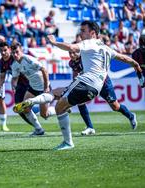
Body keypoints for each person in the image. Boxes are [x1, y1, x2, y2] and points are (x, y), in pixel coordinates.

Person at [45, 21, 142, 150]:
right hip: (96, 85)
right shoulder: (106, 48)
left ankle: (67, 140)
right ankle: (87, 127)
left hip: (89, 82)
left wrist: (54, 42)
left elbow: (71, 48)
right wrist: (135, 64)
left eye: (83, 30)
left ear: (92, 33)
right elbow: (123, 58)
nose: (80, 33)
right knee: (64, 105)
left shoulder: (89, 42)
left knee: (61, 106)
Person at [68, 42, 138, 136]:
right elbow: (75, 74)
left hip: (103, 82)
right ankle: (90, 127)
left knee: (115, 106)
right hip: (89, 84)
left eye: (74, 52)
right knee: (80, 101)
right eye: (70, 53)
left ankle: (131, 115)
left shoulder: (87, 57)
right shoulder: (72, 63)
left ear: (80, 51)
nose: (72, 55)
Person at [11, 42, 56, 135]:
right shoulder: (15, 65)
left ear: (21, 51)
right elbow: (14, 78)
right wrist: (13, 86)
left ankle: (60, 109)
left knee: (45, 115)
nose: (15, 55)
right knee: (25, 108)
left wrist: (46, 86)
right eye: (13, 53)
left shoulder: (28, 59)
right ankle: (39, 129)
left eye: (17, 52)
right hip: (32, 88)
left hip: (43, 88)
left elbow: (44, 69)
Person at [0, 41, 35, 126]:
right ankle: (36, 126)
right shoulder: (1, 62)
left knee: (27, 105)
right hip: (19, 85)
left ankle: (38, 121)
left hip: (28, 83)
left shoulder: (15, 58)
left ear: (9, 50)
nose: (3, 53)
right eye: (1, 51)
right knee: (18, 108)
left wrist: (13, 84)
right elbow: (2, 76)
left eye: (5, 50)